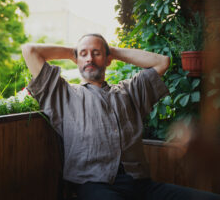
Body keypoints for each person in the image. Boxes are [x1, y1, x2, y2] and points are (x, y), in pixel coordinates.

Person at [21, 34, 220, 200]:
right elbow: (30, 51)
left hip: (141, 186)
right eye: (84, 55)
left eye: (96, 53)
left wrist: (110, 51)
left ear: (108, 60)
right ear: (76, 60)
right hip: (95, 186)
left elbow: (162, 62)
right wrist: (77, 52)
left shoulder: (130, 91)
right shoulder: (63, 94)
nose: (89, 58)